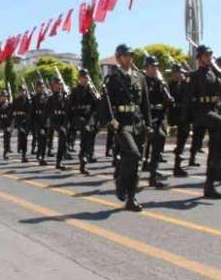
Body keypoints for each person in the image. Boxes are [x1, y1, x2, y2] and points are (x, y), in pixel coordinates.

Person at [101, 44, 148, 212]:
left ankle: (131, 197)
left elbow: (145, 104)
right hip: (122, 123)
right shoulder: (112, 79)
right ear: (119, 58)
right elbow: (105, 104)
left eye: (130, 55)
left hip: (137, 122)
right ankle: (120, 182)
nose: (128, 58)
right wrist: (110, 121)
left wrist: (148, 124)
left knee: (135, 162)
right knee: (133, 153)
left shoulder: (140, 77)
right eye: (124, 55)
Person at [182, 44, 221, 199]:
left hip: (213, 111)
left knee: (215, 147)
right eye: (206, 56)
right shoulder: (194, 75)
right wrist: (185, 120)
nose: (209, 58)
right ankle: (217, 161)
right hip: (201, 112)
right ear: (199, 58)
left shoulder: (215, 75)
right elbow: (186, 100)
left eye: (210, 55)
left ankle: (209, 186)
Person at [142, 56, 171, 188]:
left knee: (160, 141)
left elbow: (166, 101)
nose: (154, 69)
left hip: (159, 116)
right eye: (152, 66)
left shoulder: (160, 82)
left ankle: (153, 175)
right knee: (140, 147)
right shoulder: (142, 82)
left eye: (156, 66)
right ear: (146, 67)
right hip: (147, 116)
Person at [69, 69, 99, 174]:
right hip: (79, 116)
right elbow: (70, 106)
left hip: (88, 116)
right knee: (86, 132)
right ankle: (83, 156)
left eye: (87, 77)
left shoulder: (91, 90)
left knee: (88, 137)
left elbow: (96, 104)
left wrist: (96, 97)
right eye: (83, 77)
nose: (85, 79)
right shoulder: (75, 90)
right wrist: (68, 120)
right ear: (79, 78)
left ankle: (83, 158)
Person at [168, 63, 190, 177]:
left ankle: (178, 155)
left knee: (184, 133)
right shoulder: (169, 86)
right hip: (173, 114)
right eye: (177, 73)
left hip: (183, 114)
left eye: (180, 73)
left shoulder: (184, 85)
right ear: (172, 74)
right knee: (183, 126)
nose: (179, 75)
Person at [45, 77, 69, 170]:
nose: (59, 86)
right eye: (57, 84)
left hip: (62, 120)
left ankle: (58, 162)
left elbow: (68, 108)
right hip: (54, 121)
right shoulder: (51, 98)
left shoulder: (64, 96)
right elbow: (46, 112)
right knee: (62, 132)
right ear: (53, 86)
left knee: (62, 140)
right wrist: (44, 123)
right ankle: (63, 152)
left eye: (60, 84)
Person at [31, 81, 50, 166]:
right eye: (40, 87)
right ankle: (41, 158)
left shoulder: (47, 97)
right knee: (41, 137)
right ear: (36, 88)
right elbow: (31, 112)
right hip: (37, 120)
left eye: (42, 87)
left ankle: (40, 154)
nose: (41, 88)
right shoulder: (34, 98)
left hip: (45, 121)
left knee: (45, 140)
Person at [12, 85, 32, 163]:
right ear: (18, 92)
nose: (22, 92)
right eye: (21, 90)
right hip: (18, 120)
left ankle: (24, 154)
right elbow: (13, 110)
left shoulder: (27, 100)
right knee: (22, 135)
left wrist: (28, 120)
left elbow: (29, 111)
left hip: (25, 120)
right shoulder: (15, 101)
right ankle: (20, 147)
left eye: (24, 90)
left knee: (25, 138)